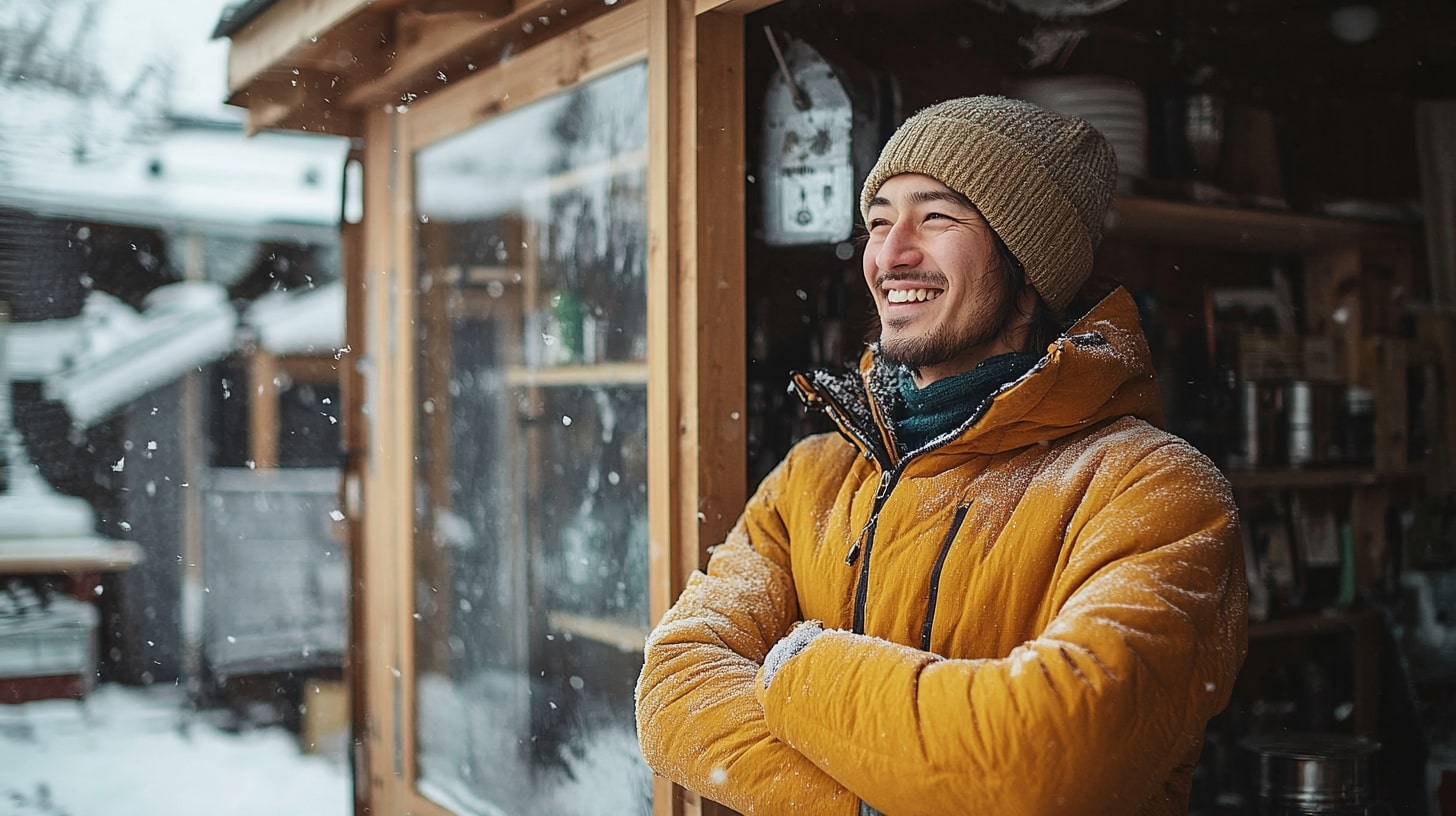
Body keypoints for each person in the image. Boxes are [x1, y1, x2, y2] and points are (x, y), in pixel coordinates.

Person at [635, 96, 1248, 816]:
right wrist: (878, 803)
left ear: (1029, 269)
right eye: (879, 220)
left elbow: (1046, 756)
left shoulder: (1155, 491)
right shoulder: (813, 479)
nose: (890, 254)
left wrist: (798, 666)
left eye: (936, 217)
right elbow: (673, 690)